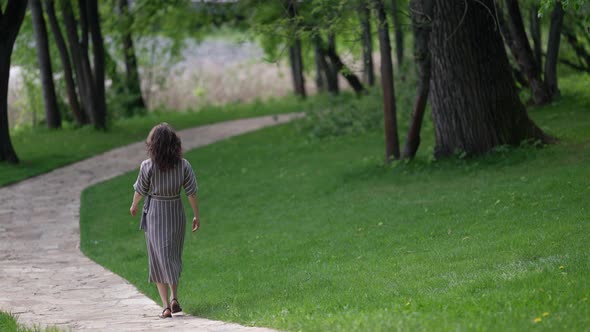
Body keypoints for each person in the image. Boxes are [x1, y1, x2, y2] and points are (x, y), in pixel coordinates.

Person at [129, 123, 200, 319]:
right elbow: (191, 192)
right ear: (174, 144)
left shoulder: (148, 166)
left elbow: (140, 190)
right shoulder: (184, 166)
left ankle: (166, 306)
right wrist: (196, 215)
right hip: (176, 212)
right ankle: (175, 297)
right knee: (172, 256)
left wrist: (134, 205)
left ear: (154, 145)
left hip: (155, 214)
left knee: (158, 258)